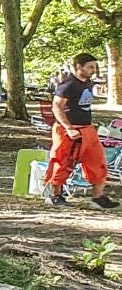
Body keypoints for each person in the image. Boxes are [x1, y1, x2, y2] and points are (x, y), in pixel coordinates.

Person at [45, 54, 115, 208]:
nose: (93, 70)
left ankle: (98, 197)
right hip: (68, 129)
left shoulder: (88, 83)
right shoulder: (68, 85)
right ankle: (55, 195)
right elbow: (56, 107)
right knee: (63, 161)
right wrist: (68, 128)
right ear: (79, 67)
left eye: (94, 67)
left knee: (97, 160)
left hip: (87, 129)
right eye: (90, 67)